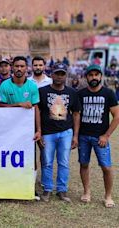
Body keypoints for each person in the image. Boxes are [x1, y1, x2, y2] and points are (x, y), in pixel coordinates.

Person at [0, 56, 42, 199]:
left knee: (31, 159)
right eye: (16, 66)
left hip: (26, 130)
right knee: (8, 157)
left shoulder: (32, 86)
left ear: (26, 68)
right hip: (8, 129)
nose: (19, 69)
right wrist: (18, 105)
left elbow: (36, 109)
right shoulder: (5, 85)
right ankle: (8, 185)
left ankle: (30, 187)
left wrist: (39, 130)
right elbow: (0, 106)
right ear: (12, 67)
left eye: (22, 66)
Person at [38, 63, 80, 203]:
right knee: (47, 162)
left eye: (62, 74)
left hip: (65, 132)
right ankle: (47, 189)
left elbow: (75, 114)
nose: (59, 77)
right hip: (48, 133)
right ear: (52, 74)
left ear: (65, 75)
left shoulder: (72, 93)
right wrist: (39, 131)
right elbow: (37, 112)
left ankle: (62, 190)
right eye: (57, 73)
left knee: (64, 162)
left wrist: (75, 135)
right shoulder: (42, 91)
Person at [77, 65, 119, 208]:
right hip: (83, 136)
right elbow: (75, 116)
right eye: (91, 75)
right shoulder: (80, 94)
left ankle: (108, 196)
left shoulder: (108, 93)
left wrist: (106, 135)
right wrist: (76, 135)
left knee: (106, 167)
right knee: (83, 164)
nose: (94, 77)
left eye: (96, 75)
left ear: (101, 76)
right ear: (86, 77)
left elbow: (117, 116)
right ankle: (86, 192)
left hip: (100, 138)